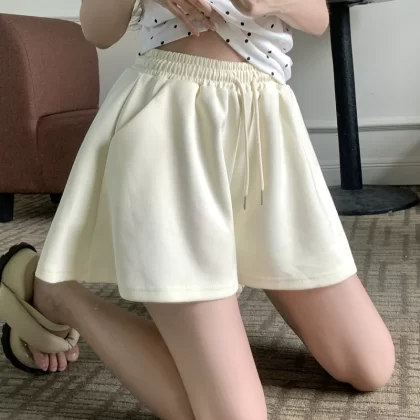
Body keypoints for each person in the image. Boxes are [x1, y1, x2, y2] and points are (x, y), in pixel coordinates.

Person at [0, 0, 395, 419]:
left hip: (265, 131)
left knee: (371, 366)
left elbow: (317, 17)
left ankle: (242, 268)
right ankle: (58, 295)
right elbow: (97, 31)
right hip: (169, 123)